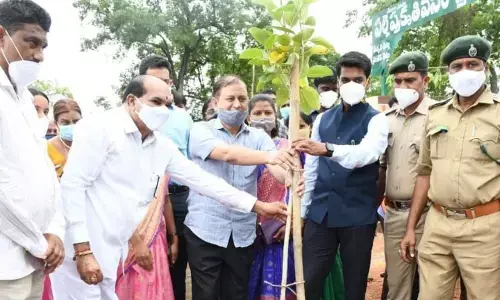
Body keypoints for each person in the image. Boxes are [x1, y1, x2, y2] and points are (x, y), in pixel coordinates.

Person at [49, 75, 287, 300]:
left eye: (167, 103)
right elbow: (73, 186)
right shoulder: (101, 128)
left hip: (114, 246)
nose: (162, 110)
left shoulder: (160, 145)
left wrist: (257, 205)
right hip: (80, 245)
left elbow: (203, 181)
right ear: (132, 101)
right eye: (155, 102)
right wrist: (82, 250)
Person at [400, 35, 499, 300]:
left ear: (485, 69)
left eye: (473, 64)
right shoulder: (437, 114)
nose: (465, 71)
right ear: (448, 72)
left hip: (485, 228)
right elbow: (424, 172)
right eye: (457, 66)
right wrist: (411, 228)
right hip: (438, 225)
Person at [185, 75, 298, 300]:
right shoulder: (200, 130)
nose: (237, 104)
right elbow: (228, 155)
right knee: (206, 295)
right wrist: (271, 156)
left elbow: (274, 167)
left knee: (236, 294)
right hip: (205, 229)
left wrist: (290, 178)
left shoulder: (258, 137)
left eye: (242, 98)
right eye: (230, 98)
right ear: (216, 102)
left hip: (242, 233)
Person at [293, 51, 389, 300]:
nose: (351, 85)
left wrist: (327, 149)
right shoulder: (323, 119)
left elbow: (366, 154)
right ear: (337, 81)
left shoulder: (377, 120)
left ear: (367, 82)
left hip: (357, 216)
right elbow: (312, 170)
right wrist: (303, 213)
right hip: (320, 214)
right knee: (308, 281)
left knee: (354, 287)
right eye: (345, 79)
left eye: (358, 80)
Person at [0, 1, 65, 299]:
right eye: (31, 42)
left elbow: (44, 172)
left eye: (43, 46)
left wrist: (55, 230)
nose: (39, 55)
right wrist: (39, 243)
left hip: (33, 259)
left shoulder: (24, 98)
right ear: (2, 36)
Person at [378, 51, 434, 300]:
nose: (402, 86)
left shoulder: (439, 116)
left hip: (432, 215)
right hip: (396, 214)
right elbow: (381, 167)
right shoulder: (386, 121)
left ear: (425, 81)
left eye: (409, 80)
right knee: (397, 288)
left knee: (433, 286)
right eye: (398, 81)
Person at [247, 95, 312, 300]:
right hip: (249, 230)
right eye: (257, 113)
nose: (263, 117)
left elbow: (299, 186)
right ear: (248, 118)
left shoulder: (288, 148)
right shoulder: (242, 149)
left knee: (282, 284)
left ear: (276, 117)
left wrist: (293, 221)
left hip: (282, 229)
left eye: (268, 113)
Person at [138, 55, 191, 300]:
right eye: (155, 81)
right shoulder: (129, 117)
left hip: (177, 200)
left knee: (175, 263)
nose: (164, 87)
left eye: (167, 82)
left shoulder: (183, 118)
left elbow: (192, 166)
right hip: (139, 206)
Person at [115, 174, 176, 300]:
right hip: (128, 238)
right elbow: (118, 204)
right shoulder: (123, 161)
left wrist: (173, 236)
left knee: (155, 287)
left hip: (156, 238)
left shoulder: (162, 160)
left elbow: (165, 201)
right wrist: (137, 243)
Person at [46, 99, 82, 179]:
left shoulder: (90, 145)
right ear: (56, 124)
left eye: (76, 122)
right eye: (66, 123)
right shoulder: (46, 149)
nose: (72, 126)